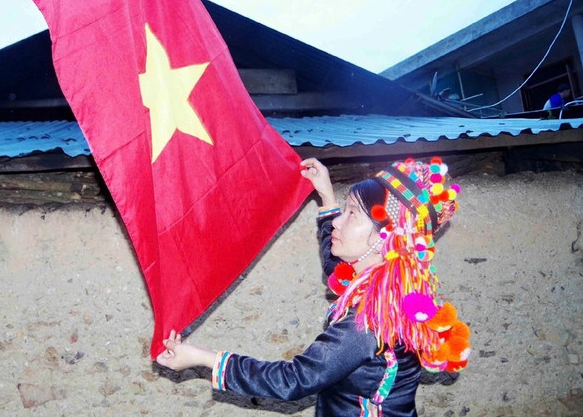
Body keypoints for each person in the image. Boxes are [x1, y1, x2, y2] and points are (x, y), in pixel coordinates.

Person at [156, 157, 470, 416]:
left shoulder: (369, 322)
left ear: (384, 238)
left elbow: (293, 380)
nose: (338, 222)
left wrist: (202, 358)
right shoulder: (382, 283)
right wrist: (328, 198)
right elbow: (337, 268)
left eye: (352, 215)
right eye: (344, 212)